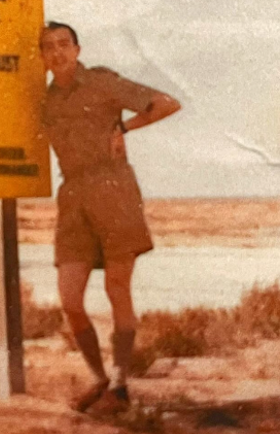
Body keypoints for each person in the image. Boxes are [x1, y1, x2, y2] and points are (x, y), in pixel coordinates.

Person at [39, 21, 180, 413]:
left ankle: (118, 383)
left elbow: (166, 102)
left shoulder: (102, 83)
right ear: (41, 57)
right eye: (48, 47)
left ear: (77, 49)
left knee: (118, 288)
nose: (57, 52)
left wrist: (124, 127)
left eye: (64, 44)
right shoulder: (46, 100)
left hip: (113, 188)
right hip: (72, 195)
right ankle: (98, 378)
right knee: (69, 298)